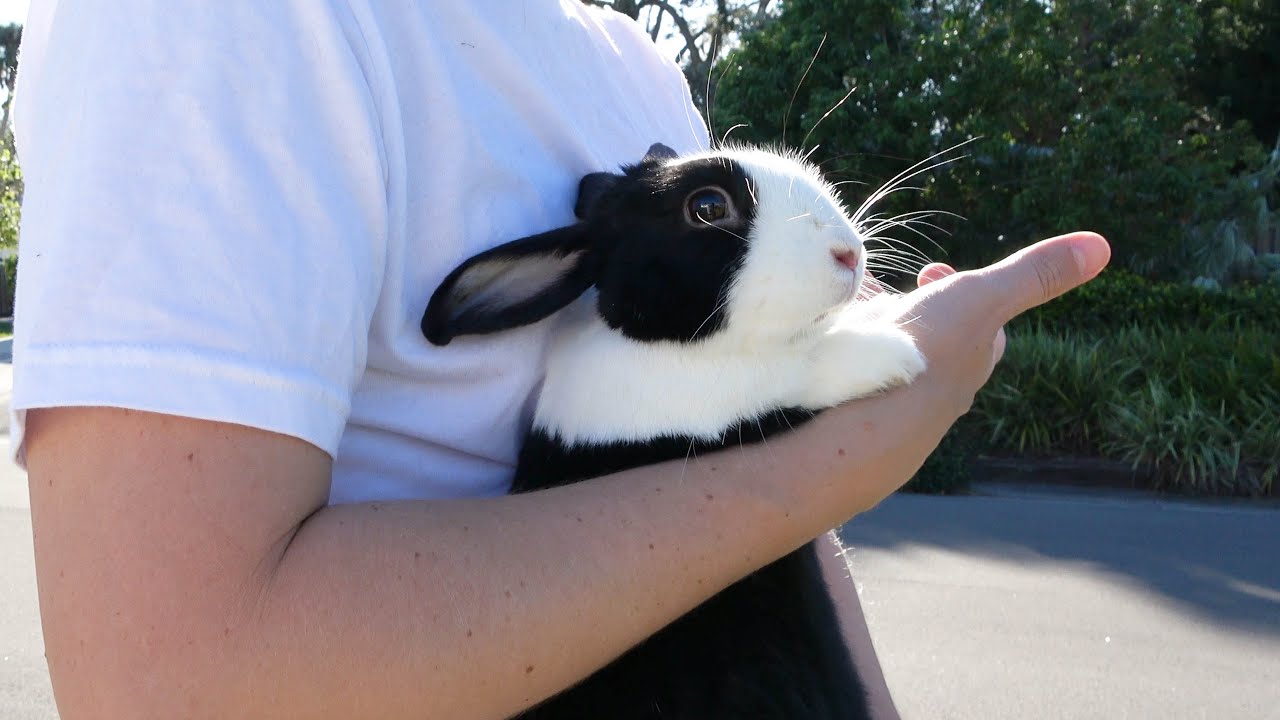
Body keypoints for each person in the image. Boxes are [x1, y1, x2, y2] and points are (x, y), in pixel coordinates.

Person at [13, 2, 1110, 719]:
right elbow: (169, 682)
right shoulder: (212, 23)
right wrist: (847, 443)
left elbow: (755, 537)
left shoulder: (621, 60)